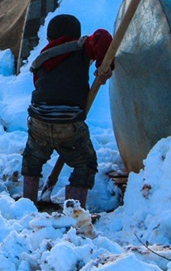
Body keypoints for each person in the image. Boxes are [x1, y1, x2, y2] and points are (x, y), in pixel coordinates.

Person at [21, 14, 113, 209]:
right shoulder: (82, 47)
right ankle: (74, 211)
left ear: (49, 39)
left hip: (38, 118)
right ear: (77, 35)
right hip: (68, 121)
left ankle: (26, 206)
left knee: (32, 159)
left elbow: (39, 86)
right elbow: (103, 36)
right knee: (85, 163)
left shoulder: (41, 59)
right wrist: (104, 65)